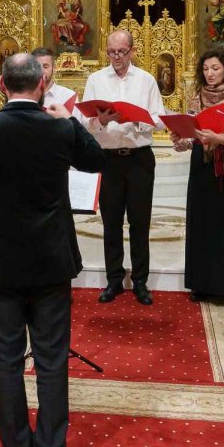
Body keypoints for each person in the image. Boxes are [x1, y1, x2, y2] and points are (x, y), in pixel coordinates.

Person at [0, 53, 105, 447]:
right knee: (52, 359)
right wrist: (70, 120)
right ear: (42, 83)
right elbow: (96, 162)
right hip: (50, 260)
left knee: (5, 358)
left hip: (0, 261)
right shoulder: (59, 129)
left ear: (1, 84)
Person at [82, 30, 166, 305]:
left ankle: (140, 281)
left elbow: (161, 116)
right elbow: (85, 123)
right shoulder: (96, 79)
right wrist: (102, 121)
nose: (116, 57)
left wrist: (140, 120)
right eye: (111, 52)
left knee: (140, 223)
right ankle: (114, 280)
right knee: (111, 222)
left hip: (139, 158)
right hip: (109, 159)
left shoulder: (146, 80)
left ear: (132, 51)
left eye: (121, 52)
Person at [171, 50, 224, 311]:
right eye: (206, 69)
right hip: (203, 165)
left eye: (215, 68)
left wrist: (220, 138)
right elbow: (189, 135)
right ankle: (202, 283)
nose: (210, 74)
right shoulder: (196, 96)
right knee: (203, 222)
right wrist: (180, 139)